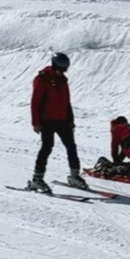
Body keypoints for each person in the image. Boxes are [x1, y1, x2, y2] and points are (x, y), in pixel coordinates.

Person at [29, 52, 87, 192]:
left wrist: (71, 120)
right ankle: (37, 179)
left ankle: (74, 176)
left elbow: (67, 102)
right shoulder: (42, 79)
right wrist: (35, 122)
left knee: (71, 146)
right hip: (47, 121)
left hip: (63, 120)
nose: (63, 72)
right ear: (55, 65)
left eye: (65, 69)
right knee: (47, 147)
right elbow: (35, 102)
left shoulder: (63, 80)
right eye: (61, 69)